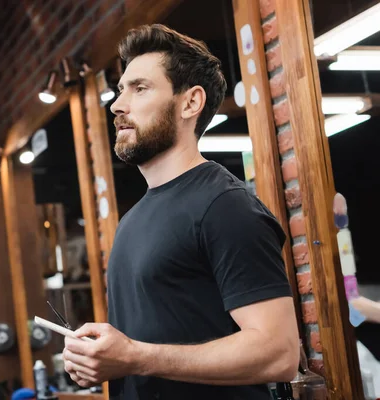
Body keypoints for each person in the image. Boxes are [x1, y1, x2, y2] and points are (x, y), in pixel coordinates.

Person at [62, 24, 300, 399]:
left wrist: (136, 357)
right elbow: (149, 347)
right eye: (121, 90)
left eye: (139, 88)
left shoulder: (226, 207)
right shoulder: (130, 222)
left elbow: (279, 354)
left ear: (190, 103)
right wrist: (98, 359)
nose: (117, 105)